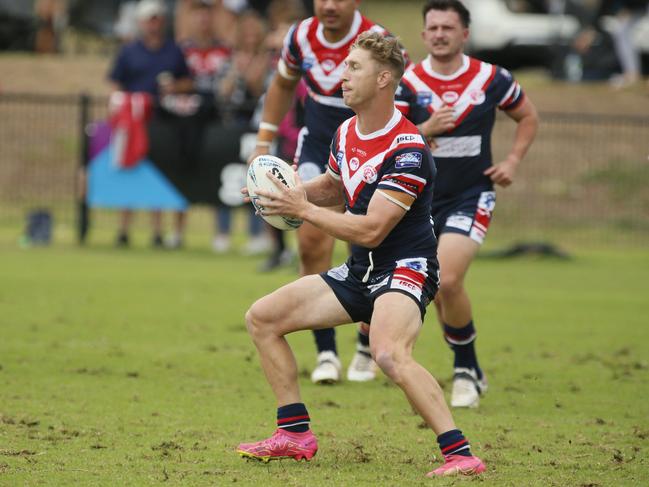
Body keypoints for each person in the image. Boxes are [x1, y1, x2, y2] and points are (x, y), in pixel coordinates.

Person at [237, 31, 486, 477]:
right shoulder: (347, 131)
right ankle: (294, 434)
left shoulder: (408, 151)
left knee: (388, 353)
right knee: (262, 318)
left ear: (384, 79)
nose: (342, 75)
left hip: (405, 270)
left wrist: (303, 209)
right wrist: (278, 192)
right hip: (360, 273)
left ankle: (461, 455)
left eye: (354, 68)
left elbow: (371, 229)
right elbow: (334, 187)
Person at [247, 0, 405, 385]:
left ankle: (367, 344)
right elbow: (283, 83)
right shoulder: (299, 35)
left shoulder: (379, 40)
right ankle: (326, 353)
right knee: (312, 243)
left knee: (366, 243)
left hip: (370, 146)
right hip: (319, 147)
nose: (330, 5)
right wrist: (264, 140)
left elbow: (403, 98)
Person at [399, 0, 539, 407]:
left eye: (448, 27)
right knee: (440, 290)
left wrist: (512, 160)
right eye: (433, 28)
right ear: (424, 35)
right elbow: (396, 138)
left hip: (470, 195)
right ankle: (472, 367)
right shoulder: (408, 82)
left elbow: (528, 117)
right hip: (419, 200)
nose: (440, 34)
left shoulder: (492, 78)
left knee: (449, 279)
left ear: (465, 34)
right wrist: (426, 128)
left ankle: (463, 371)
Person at [108, 0, 193, 248]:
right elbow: (115, 85)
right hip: (132, 123)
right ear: (141, 22)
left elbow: (188, 82)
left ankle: (157, 231)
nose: (154, 24)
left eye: (157, 19)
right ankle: (123, 229)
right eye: (149, 19)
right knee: (129, 174)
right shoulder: (129, 51)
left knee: (157, 174)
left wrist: (174, 87)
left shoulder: (173, 51)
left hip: (162, 122)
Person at [218, 9, 275, 255]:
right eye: (247, 32)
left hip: (257, 126)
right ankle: (222, 232)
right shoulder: (229, 59)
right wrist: (235, 70)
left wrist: (254, 65)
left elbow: (258, 87)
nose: (251, 37)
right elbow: (222, 92)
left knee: (256, 178)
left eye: (255, 33)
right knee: (228, 180)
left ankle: (257, 234)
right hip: (232, 126)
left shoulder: (271, 60)